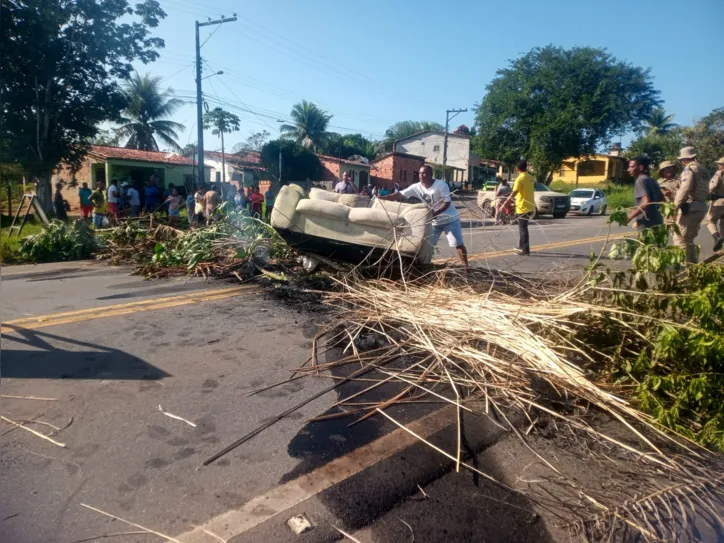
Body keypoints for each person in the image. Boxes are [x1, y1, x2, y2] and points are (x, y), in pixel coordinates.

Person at [378, 164, 468, 268]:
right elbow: (399, 195)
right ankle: (425, 266)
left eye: (424, 173)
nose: (421, 175)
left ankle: (466, 267)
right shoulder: (416, 187)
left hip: (450, 219)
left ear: (431, 174)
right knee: (426, 245)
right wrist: (383, 198)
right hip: (433, 222)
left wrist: (434, 214)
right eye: (420, 173)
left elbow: (446, 203)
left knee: (458, 244)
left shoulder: (441, 185)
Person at [673, 146, 709, 263]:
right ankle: (693, 268)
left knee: (679, 239)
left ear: (684, 159)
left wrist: (675, 207)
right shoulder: (704, 170)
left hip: (690, 207)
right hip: (701, 207)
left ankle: (685, 268)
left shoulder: (689, 169)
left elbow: (685, 189)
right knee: (689, 240)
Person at [503, 160, 536, 255]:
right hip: (530, 206)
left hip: (522, 207)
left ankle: (526, 250)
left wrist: (505, 203)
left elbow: (514, 193)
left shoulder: (519, 179)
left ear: (517, 169)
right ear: (526, 167)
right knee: (523, 227)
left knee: (523, 228)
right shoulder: (530, 177)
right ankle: (521, 245)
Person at [626, 156, 664, 231]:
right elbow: (661, 198)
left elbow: (646, 202)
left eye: (632, 167)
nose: (628, 170)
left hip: (646, 221)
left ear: (641, 167)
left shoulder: (640, 181)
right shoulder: (651, 179)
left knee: (645, 242)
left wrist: (630, 217)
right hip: (657, 219)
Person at [707, 157, 724, 253]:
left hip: (719, 201)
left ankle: (716, 237)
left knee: (710, 221)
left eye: (719, 164)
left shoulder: (720, 173)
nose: (718, 165)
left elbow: (712, 186)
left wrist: (710, 193)